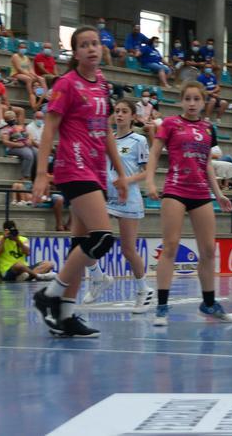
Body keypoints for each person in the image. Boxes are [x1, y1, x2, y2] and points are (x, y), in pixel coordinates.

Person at [31, 26, 130, 339]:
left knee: (80, 245)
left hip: (96, 169)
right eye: (84, 45)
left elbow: (107, 132)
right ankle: (49, 294)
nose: (91, 49)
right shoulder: (66, 84)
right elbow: (49, 128)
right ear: (75, 53)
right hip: (72, 167)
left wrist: (119, 172)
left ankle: (67, 315)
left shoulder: (102, 84)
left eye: (95, 44)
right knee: (103, 238)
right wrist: (41, 173)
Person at [144, 81, 232, 326]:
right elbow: (154, 152)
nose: (192, 103)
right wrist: (150, 182)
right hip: (175, 190)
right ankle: (162, 307)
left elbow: (205, 164)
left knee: (208, 250)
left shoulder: (207, 128)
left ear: (203, 102)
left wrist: (218, 194)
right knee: (170, 247)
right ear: (181, 101)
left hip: (200, 192)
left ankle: (208, 303)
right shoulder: (171, 124)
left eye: (197, 99)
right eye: (188, 99)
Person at [83, 100, 155, 309]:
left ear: (133, 116)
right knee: (87, 240)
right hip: (105, 197)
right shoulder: (108, 139)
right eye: (117, 111)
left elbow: (147, 171)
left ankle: (144, 289)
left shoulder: (138, 140)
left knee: (128, 250)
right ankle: (98, 278)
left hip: (128, 197)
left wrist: (127, 180)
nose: (120, 115)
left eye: (125, 111)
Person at [0, 108, 37, 184]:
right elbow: (5, 142)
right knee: (28, 154)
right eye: (9, 119)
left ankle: (35, 176)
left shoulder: (20, 127)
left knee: (37, 153)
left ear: (15, 118)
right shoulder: (5, 129)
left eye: (13, 118)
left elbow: (29, 135)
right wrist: (17, 145)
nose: (12, 120)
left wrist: (29, 140)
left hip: (25, 145)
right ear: (6, 120)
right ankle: (25, 176)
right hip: (13, 148)